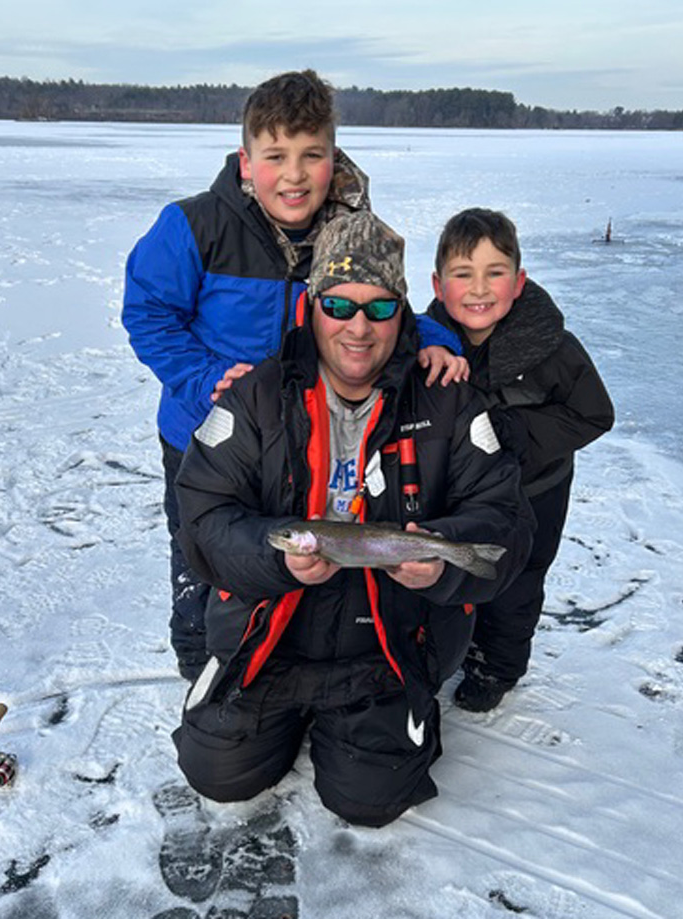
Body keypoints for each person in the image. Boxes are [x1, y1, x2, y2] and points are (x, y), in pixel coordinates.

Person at [171, 211, 535, 827]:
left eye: (380, 308)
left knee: (371, 800)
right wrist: (273, 555)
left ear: (405, 313)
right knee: (217, 773)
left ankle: (390, 718)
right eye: (338, 306)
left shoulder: (447, 399)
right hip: (271, 635)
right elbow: (203, 518)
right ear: (311, 308)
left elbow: (507, 523)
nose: (358, 328)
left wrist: (443, 562)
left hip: (387, 647)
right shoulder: (256, 397)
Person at [122, 70, 466, 681]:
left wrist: (435, 338)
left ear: (335, 158)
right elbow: (148, 313)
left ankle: (279, 655)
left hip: (296, 439)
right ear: (245, 160)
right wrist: (203, 380)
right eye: (275, 156)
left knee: (281, 550)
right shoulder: (195, 225)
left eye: (313, 156)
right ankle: (199, 658)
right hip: (203, 432)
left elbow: (381, 302)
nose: (295, 174)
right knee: (204, 546)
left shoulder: (347, 232)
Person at [427, 207, 615, 712]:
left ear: (519, 280)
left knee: (517, 583)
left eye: (495, 273)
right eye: (463, 275)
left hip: (535, 492)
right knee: (454, 570)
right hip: (460, 492)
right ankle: (450, 643)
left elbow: (594, 414)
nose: (479, 290)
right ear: (438, 283)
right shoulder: (427, 342)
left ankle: (497, 666)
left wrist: (513, 431)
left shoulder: (553, 348)